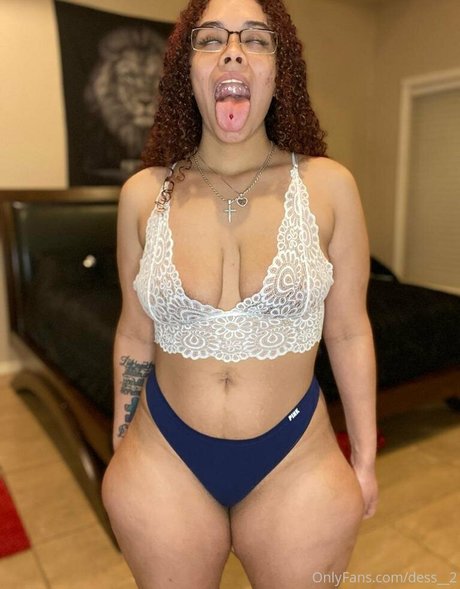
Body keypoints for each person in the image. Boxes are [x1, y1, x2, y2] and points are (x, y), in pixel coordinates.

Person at [102, 0, 378, 587]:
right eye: (211, 39)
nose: (233, 51)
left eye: (255, 39)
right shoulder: (141, 195)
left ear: (281, 70)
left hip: (296, 460)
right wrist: (121, 437)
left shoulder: (331, 186)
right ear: (188, 71)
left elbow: (349, 330)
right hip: (162, 455)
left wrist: (365, 457)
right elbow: (134, 331)